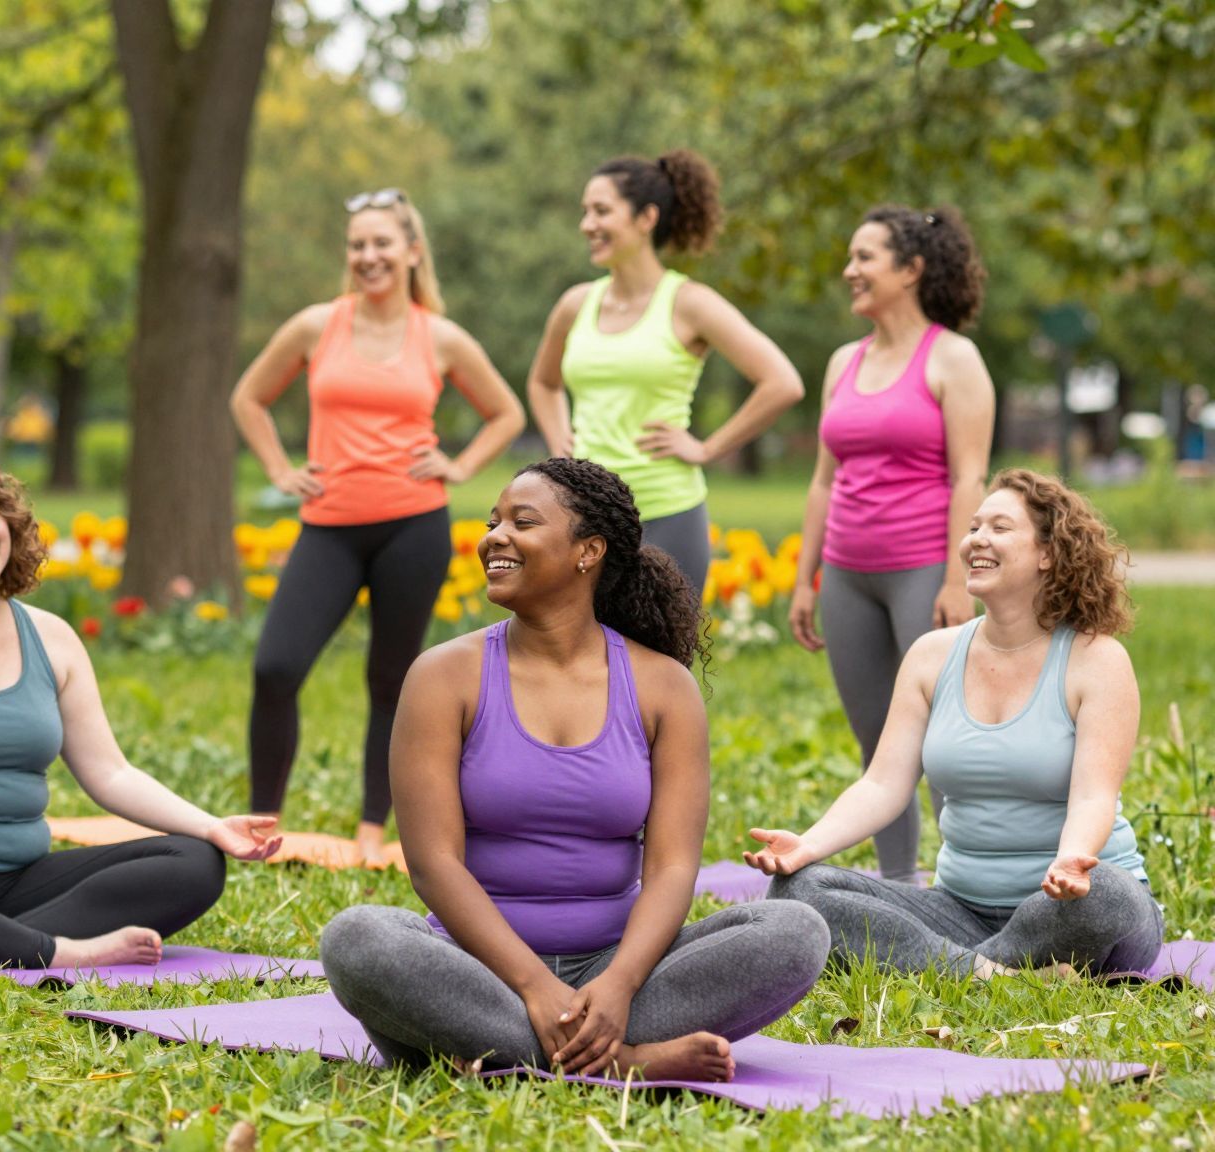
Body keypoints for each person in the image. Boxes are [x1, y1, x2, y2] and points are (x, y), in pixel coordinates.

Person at [321, 460, 826, 1079]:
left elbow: (670, 867)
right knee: (359, 939)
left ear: (588, 551)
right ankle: (623, 1062)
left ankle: (495, 1053)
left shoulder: (662, 686)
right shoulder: (442, 675)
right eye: (493, 522)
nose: (493, 537)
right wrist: (533, 986)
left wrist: (618, 986)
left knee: (794, 930)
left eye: (522, 522)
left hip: (621, 973)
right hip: (475, 970)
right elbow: (433, 863)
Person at [0, 456, 282, 970]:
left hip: (25, 885)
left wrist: (211, 826)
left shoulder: (52, 638)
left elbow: (110, 773)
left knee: (195, 862)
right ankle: (62, 952)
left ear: (8, 524)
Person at [749, 471, 1159, 980]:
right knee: (799, 890)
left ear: (1048, 553)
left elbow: (1094, 796)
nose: (976, 540)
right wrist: (807, 846)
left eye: (1000, 528)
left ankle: (949, 966)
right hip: (960, 910)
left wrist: (1073, 860)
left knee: (1112, 897)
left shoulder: (1096, 659)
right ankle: (996, 975)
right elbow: (882, 784)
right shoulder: (931, 655)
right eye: (973, 527)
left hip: (1069, 907)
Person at [230, 188, 525, 864]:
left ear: (411, 252)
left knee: (392, 680)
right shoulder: (316, 326)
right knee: (275, 667)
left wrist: (457, 464)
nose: (368, 256)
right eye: (358, 245)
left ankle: (371, 827)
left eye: (382, 244)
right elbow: (248, 397)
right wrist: (279, 468)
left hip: (412, 527)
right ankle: (261, 820)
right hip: (329, 526)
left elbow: (504, 412)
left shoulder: (439, 336)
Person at [786, 205, 994, 881]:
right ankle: (900, 883)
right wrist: (804, 577)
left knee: (944, 741)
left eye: (865, 258)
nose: (850, 271)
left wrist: (959, 581)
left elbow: (971, 475)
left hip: (925, 571)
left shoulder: (953, 359)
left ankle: (968, 881)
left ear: (911, 269)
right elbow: (824, 480)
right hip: (848, 575)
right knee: (878, 741)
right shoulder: (843, 361)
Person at [524, 150, 803, 597]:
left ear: (646, 217)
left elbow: (782, 382)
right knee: (581, 661)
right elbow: (543, 382)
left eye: (601, 211)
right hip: (582, 514)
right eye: (585, 212)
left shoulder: (690, 303)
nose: (587, 225)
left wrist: (708, 448)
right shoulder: (575, 305)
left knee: (662, 663)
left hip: (667, 512)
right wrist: (558, 438)